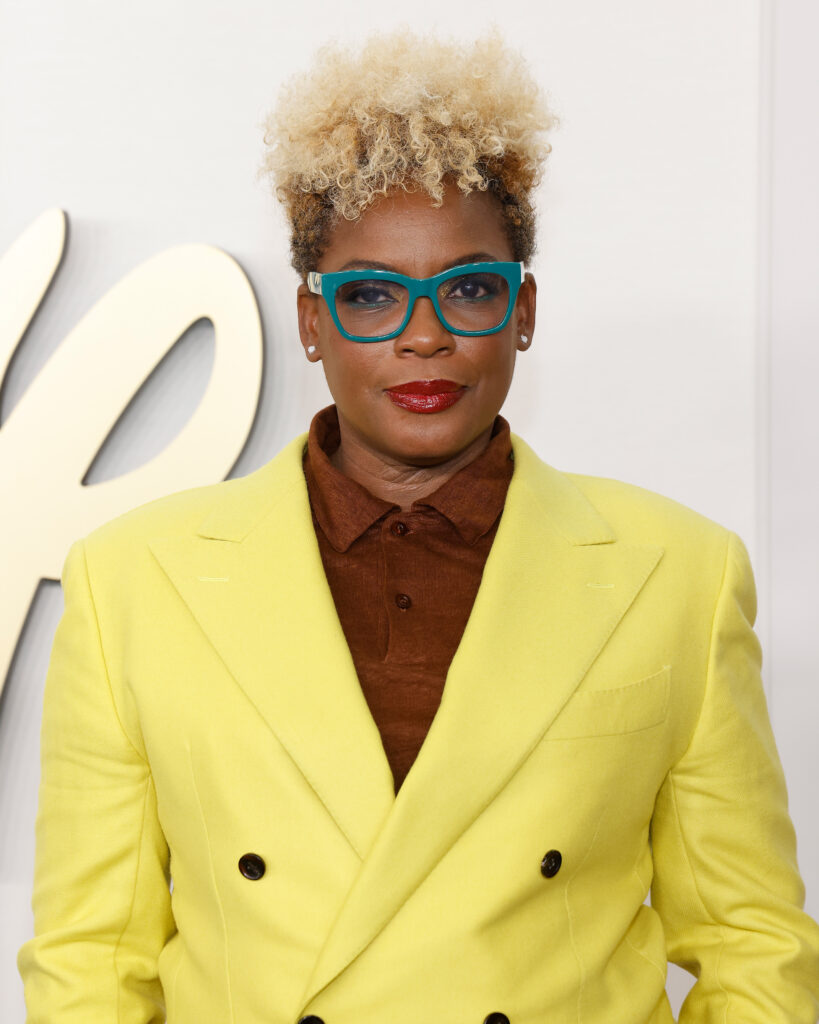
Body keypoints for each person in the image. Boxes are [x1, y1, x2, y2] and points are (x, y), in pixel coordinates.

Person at [18, 29, 819, 1024]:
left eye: (469, 288)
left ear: (523, 309)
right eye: (371, 295)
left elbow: (752, 942)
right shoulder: (132, 581)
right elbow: (93, 962)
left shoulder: (681, 574)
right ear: (312, 321)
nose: (425, 335)